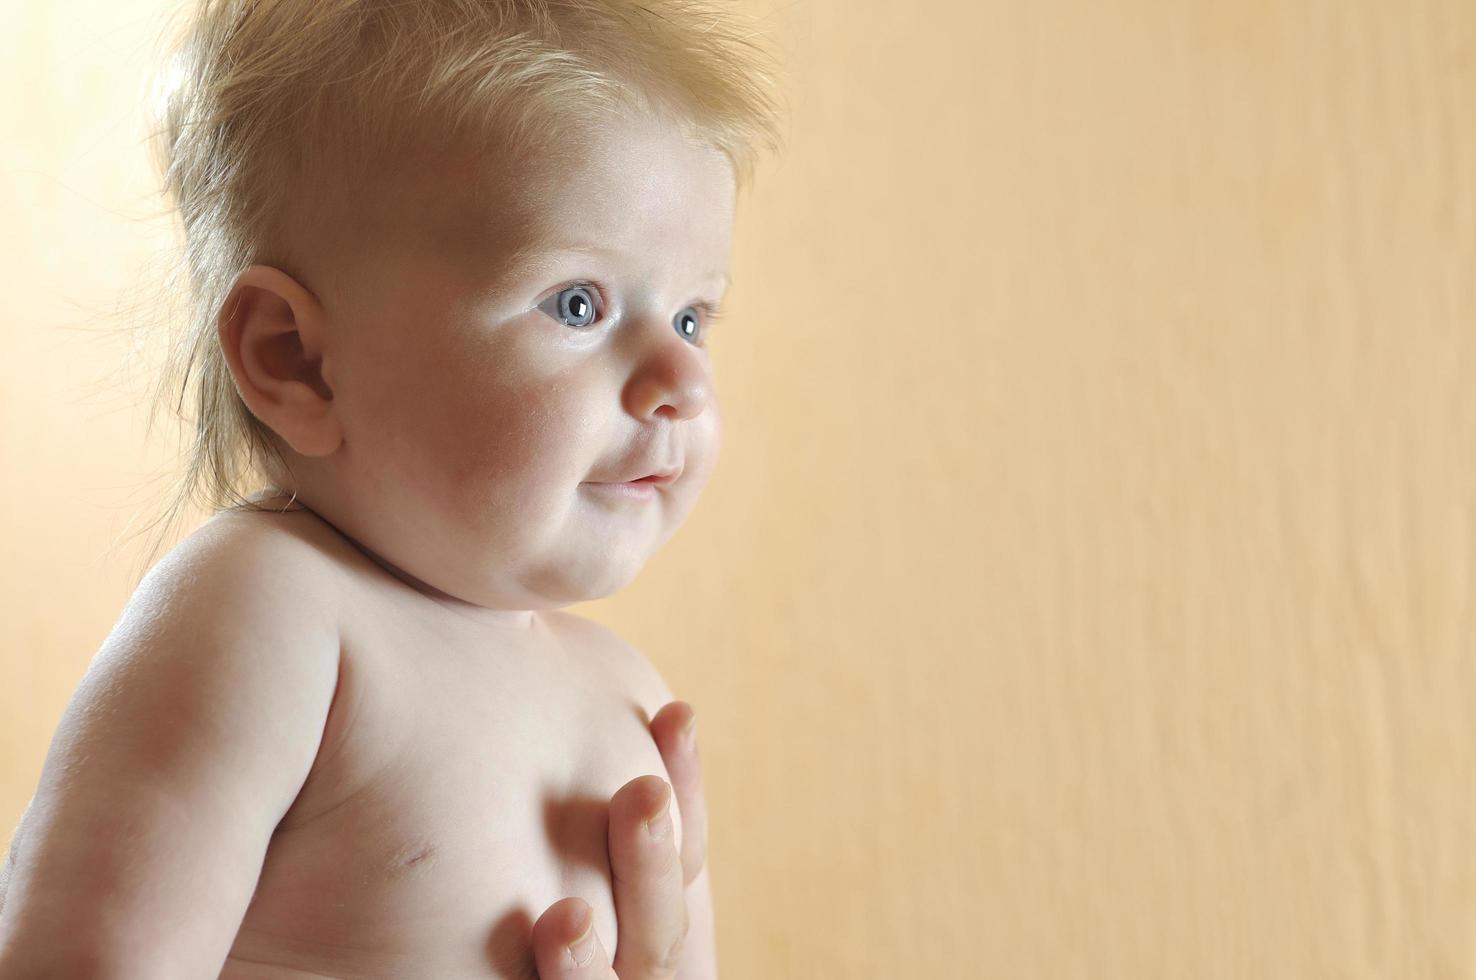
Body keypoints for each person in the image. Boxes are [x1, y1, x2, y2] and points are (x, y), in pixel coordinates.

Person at [0, 0, 784, 976]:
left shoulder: (625, 697)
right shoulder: (274, 618)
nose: (682, 381)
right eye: (577, 303)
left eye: (693, 316)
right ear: (297, 359)